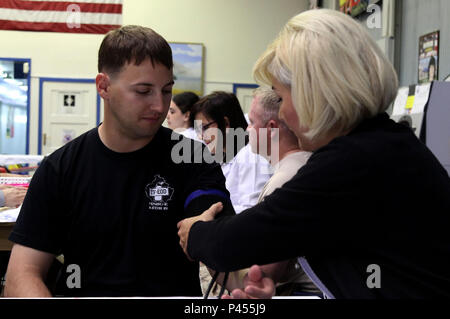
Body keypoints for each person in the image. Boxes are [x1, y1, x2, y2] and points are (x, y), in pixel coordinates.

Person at [178, 9, 450, 299]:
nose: (281, 112)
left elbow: (238, 240)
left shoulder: (353, 161)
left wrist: (195, 232)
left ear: (314, 93)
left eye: (282, 98)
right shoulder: (386, 145)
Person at [3, 25, 236, 297]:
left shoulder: (191, 159)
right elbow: (22, 274)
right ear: (104, 86)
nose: (160, 106)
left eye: (166, 90)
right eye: (143, 91)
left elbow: (219, 237)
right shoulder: (60, 168)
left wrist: (246, 277)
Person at [246, 86, 320, 296]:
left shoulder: (284, 181)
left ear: (271, 128)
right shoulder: (308, 164)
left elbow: (264, 273)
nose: (246, 130)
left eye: (251, 123)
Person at [192, 91, 272, 214]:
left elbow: (249, 210)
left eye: (204, 128)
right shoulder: (223, 156)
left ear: (225, 123)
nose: (201, 136)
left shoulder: (250, 155)